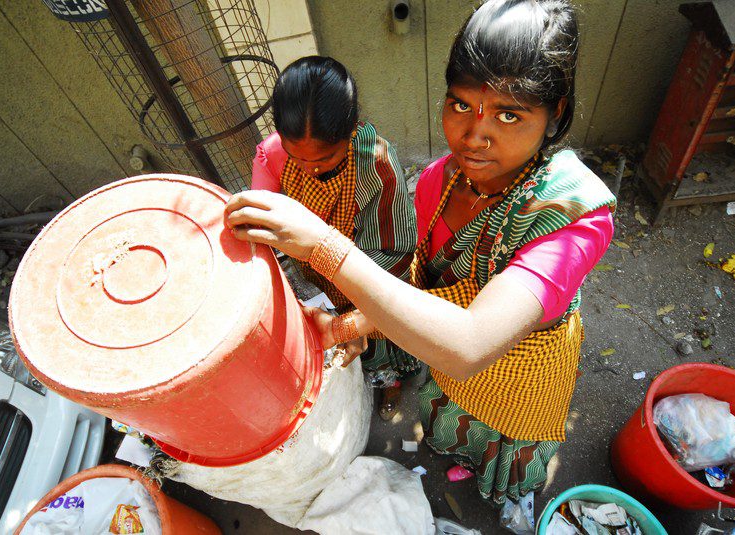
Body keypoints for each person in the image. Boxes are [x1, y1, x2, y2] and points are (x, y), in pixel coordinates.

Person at [227, 0, 615, 507]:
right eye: (460, 105)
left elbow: (471, 341)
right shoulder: (440, 179)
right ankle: (459, 453)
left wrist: (323, 244)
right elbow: (428, 287)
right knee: (453, 408)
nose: (475, 135)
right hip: (449, 358)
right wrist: (354, 325)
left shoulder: (575, 216)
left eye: (509, 114)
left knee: (504, 430)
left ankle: (497, 484)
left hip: (520, 365)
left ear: (556, 111)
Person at [252, 56, 418, 419]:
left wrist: (356, 311)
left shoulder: (375, 164)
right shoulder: (271, 156)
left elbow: (394, 250)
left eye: (325, 159)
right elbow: (261, 231)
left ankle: (390, 380)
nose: (310, 169)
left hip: (368, 273)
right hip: (316, 277)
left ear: (351, 130)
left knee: (379, 336)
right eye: (298, 158)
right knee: (337, 337)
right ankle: (366, 374)